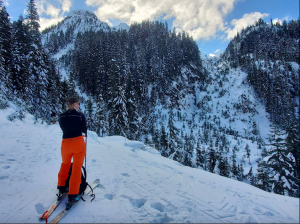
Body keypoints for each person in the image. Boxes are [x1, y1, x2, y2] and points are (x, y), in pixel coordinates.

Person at [57, 96, 87, 210]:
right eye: (78, 104)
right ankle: (73, 195)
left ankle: (61, 188)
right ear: (74, 104)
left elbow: (63, 129)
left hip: (65, 143)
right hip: (78, 142)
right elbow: (84, 129)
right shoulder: (80, 115)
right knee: (76, 168)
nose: (79, 105)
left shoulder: (61, 116)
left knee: (65, 164)